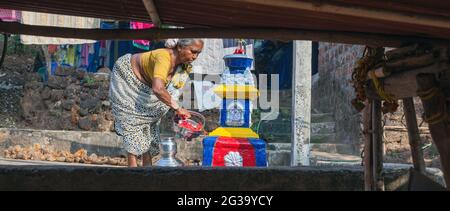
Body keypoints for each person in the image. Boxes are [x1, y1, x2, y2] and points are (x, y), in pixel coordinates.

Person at [109, 38, 204, 167]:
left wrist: (177, 111)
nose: (195, 57)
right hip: (127, 77)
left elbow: (172, 92)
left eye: (198, 53)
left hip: (147, 87)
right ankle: (132, 171)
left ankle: (147, 169)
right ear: (180, 47)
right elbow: (158, 89)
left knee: (151, 122)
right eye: (193, 51)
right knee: (131, 122)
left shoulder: (184, 67)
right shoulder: (163, 57)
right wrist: (177, 108)